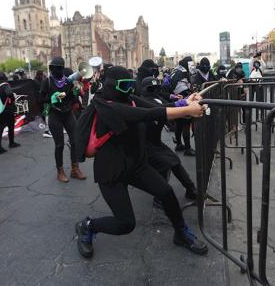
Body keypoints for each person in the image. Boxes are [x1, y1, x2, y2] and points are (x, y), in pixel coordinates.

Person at [73, 66, 208, 259]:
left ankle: (181, 233)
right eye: (125, 85)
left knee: (166, 193)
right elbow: (147, 115)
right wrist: (188, 110)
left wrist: (185, 102)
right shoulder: (106, 106)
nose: (129, 89)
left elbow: (154, 106)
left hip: (135, 163)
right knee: (125, 223)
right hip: (112, 170)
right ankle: (87, 226)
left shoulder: (129, 99)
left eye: (131, 84)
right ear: (112, 85)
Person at [140, 76, 198, 204]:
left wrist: (185, 102)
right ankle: (160, 196)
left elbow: (167, 105)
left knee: (174, 162)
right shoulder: (142, 101)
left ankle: (191, 190)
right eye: (151, 88)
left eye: (157, 88)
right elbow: (160, 109)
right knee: (164, 164)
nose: (154, 90)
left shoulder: (157, 98)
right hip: (142, 145)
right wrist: (182, 105)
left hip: (155, 142)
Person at [40, 57, 86, 182]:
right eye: (56, 68)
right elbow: (41, 99)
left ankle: (75, 169)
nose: (58, 70)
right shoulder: (47, 82)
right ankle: (60, 171)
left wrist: (76, 93)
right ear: (51, 68)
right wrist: (51, 98)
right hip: (55, 116)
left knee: (75, 141)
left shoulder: (68, 82)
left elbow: (73, 99)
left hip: (68, 114)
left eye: (60, 68)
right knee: (59, 145)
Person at [166, 56, 195, 156]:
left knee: (179, 123)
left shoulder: (176, 70)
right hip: (182, 98)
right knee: (186, 122)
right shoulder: (182, 72)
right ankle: (188, 148)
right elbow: (182, 88)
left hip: (174, 99)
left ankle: (179, 144)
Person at [0, 72, 20, 155]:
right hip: (7, 109)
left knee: (0, 129)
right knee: (11, 126)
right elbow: (10, 94)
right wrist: (12, 100)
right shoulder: (5, 85)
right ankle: (11, 143)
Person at [34, 70, 52, 138]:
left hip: (44, 100)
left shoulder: (41, 80)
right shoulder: (42, 81)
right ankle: (47, 131)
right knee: (46, 115)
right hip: (45, 100)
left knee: (46, 115)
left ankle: (47, 130)